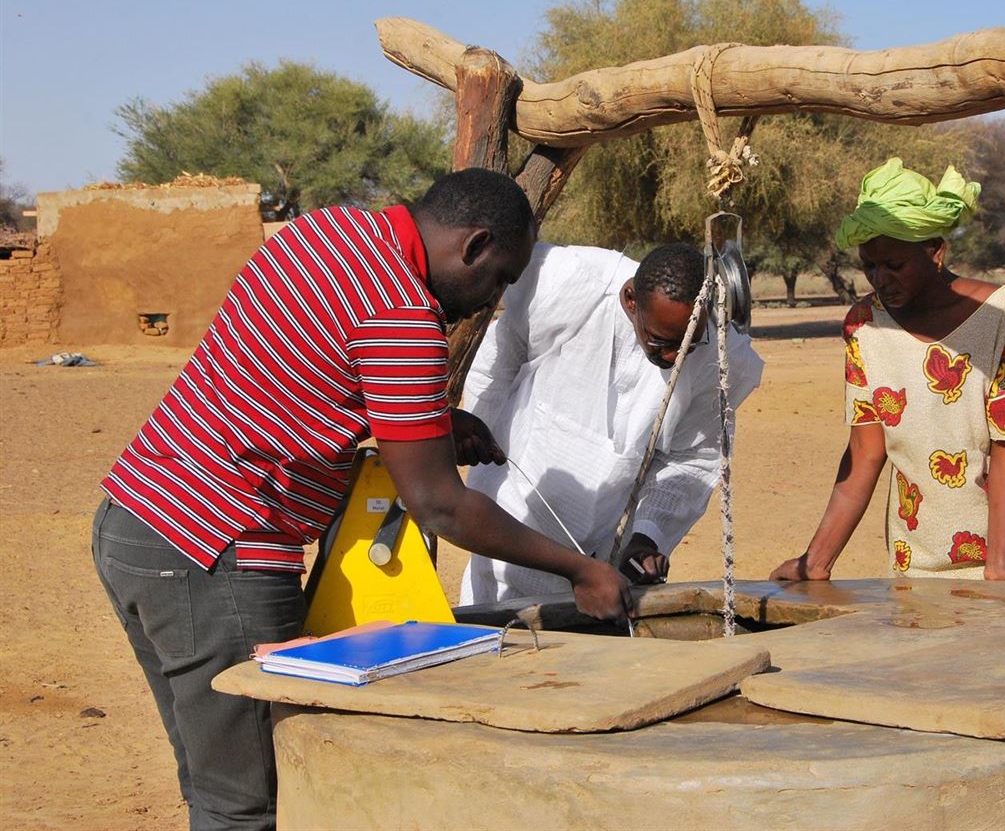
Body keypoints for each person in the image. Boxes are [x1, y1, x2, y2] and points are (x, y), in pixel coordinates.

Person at [91, 169, 633, 831]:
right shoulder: (404, 318)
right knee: (254, 799)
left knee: (214, 781)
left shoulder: (330, 231)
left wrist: (430, 419)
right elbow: (440, 505)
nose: (491, 300)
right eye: (500, 278)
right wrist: (581, 569)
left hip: (138, 521)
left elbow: (298, 366)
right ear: (475, 244)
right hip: (220, 551)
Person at [771, 157, 1005, 583]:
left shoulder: (1000, 315)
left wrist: (999, 564)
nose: (880, 279)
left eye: (895, 265)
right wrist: (816, 562)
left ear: (935, 251)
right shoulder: (864, 326)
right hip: (915, 556)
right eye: (869, 265)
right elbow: (866, 453)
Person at [458, 242, 764, 604]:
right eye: (660, 341)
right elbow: (499, 359)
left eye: (687, 345)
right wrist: (480, 431)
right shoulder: (572, 284)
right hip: (511, 528)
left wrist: (647, 535)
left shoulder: (716, 354)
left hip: (605, 548)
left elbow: (691, 459)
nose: (673, 357)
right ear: (630, 300)